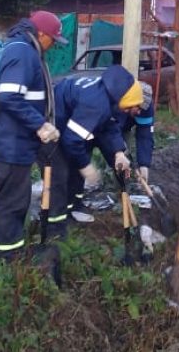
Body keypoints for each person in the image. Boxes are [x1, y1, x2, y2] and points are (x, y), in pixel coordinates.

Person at [0, 10, 67, 262]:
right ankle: (6, 256)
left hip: (16, 141)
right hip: (11, 142)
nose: (53, 46)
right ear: (42, 34)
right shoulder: (23, 53)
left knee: (17, 197)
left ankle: (10, 248)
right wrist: (40, 125)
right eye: (53, 40)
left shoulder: (26, 49)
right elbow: (9, 96)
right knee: (13, 200)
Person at [48, 65, 144, 237]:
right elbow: (72, 139)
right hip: (57, 119)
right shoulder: (96, 104)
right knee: (62, 172)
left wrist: (119, 152)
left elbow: (109, 125)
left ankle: (74, 206)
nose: (135, 111)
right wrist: (86, 166)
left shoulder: (110, 97)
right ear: (127, 100)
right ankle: (56, 225)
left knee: (76, 165)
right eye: (134, 106)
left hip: (73, 118)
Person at [78, 82, 155, 221]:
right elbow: (109, 132)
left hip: (119, 129)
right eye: (137, 108)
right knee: (85, 157)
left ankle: (124, 189)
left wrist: (144, 164)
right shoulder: (115, 103)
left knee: (124, 163)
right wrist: (118, 149)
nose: (139, 112)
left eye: (142, 109)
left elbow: (145, 136)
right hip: (95, 128)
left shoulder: (145, 108)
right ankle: (77, 193)